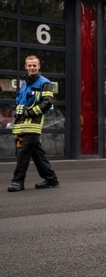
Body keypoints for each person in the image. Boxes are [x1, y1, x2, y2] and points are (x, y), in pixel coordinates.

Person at [8, 55, 61, 192]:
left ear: (39, 66)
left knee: (23, 152)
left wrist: (30, 113)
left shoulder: (45, 82)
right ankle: (51, 179)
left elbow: (47, 102)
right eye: (29, 65)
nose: (32, 68)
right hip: (22, 124)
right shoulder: (25, 83)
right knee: (36, 153)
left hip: (34, 124)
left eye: (34, 65)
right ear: (25, 67)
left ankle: (17, 181)